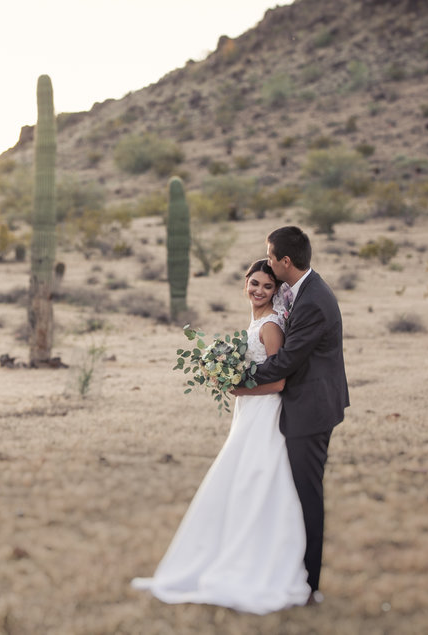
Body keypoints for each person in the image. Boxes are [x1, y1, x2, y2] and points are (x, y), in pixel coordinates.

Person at [131, 259, 311, 614]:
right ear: (245, 283)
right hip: (249, 412)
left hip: (265, 412)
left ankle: (254, 559)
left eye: (267, 286)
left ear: (276, 291)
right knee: (240, 477)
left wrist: (238, 389)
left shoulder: (272, 325)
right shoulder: (257, 321)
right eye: (254, 283)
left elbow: (278, 380)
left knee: (256, 477)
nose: (259, 291)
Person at [238, 225, 349, 604]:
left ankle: (308, 586)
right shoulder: (298, 291)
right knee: (290, 492)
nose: (267, 263)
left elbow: (286, 361)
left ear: (286, 261)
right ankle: (287, 568)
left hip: (311, 412)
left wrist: (238, 380)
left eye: (270, 257)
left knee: (306, 496)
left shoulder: (314, 301)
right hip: (302, 407)